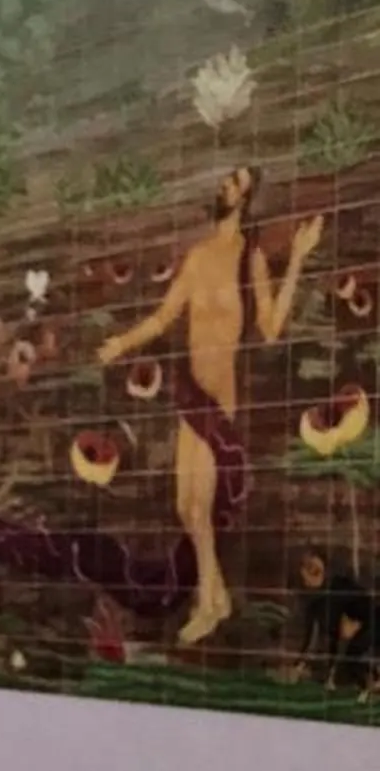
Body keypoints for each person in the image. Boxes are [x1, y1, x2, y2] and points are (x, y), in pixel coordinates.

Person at [98, 165, 322, 644]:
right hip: (189, 394)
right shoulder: (198, 257)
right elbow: (162, 317)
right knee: (185, 507)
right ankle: (217, 597)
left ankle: (209, 604)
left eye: (235, 182)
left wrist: (298, 258)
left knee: (198, 509)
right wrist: (122, 343)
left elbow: (270, 326)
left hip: (218, 401)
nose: (224, 185)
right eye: (225, 180)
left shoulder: (250, 259)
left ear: (247, 198)